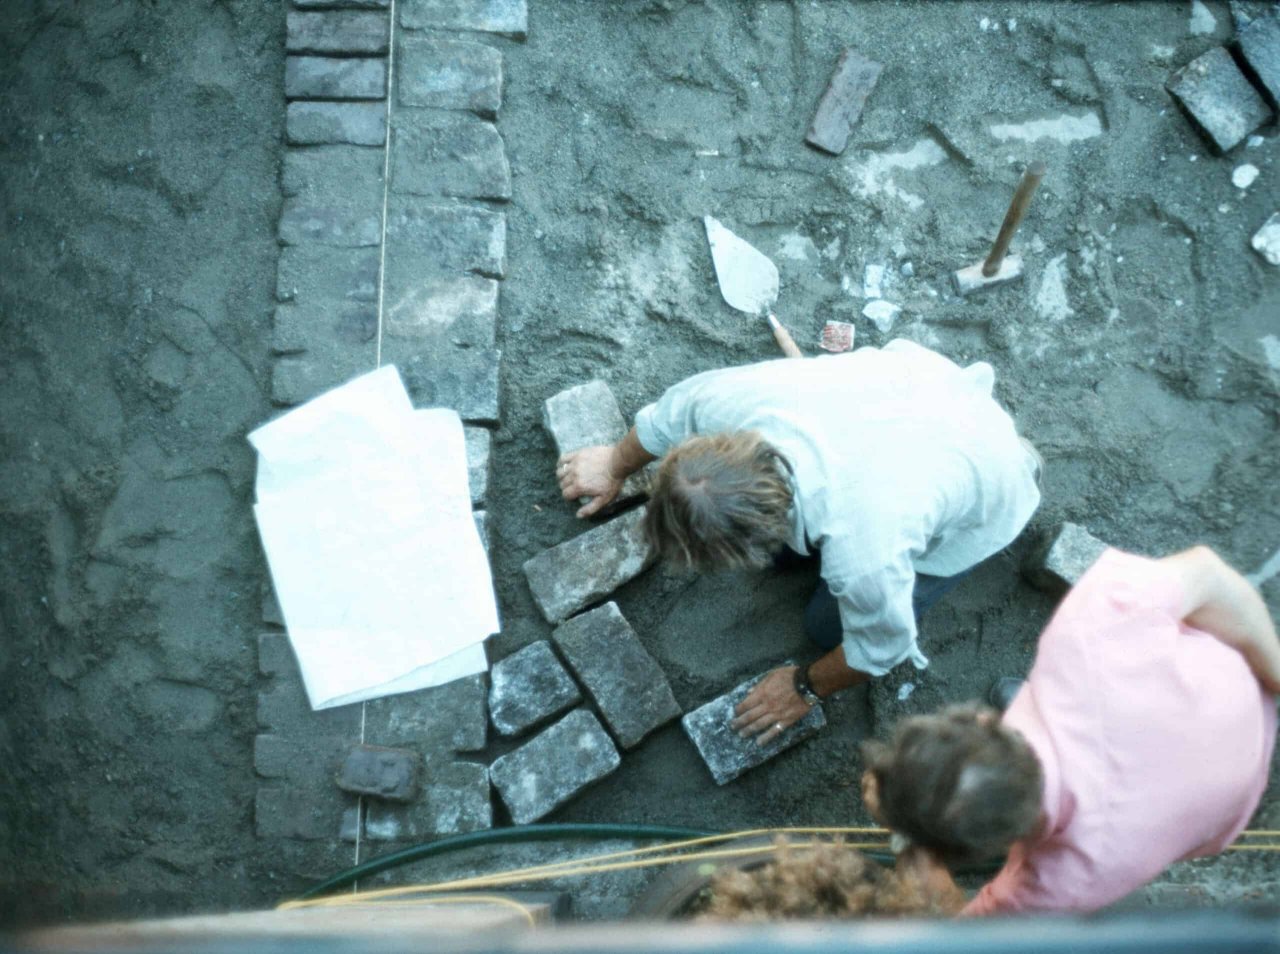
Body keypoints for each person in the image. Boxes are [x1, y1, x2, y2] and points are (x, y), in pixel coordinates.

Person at [555, 340, 1041, 742]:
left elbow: (882, 649)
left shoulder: (865, 550)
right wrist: (614, 464)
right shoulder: (729, 403)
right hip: (913, 397)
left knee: (827, 629)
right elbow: (667, 417)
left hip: (986, 485)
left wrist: (805, 686)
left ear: (764, 536)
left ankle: (1017, 461)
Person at [859, 545, 1280, 914]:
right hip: (1241, 704)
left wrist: (912, 847)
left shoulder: (1063, 886)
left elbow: (962, 934)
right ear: (983, 721)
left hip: (1221, 799)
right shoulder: (1089, 633)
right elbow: (1210, 575)